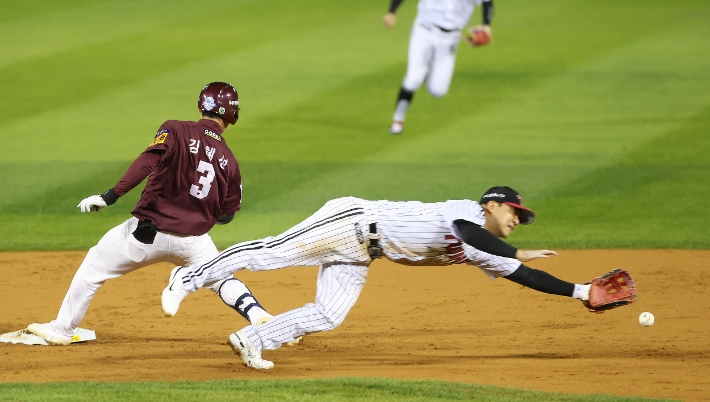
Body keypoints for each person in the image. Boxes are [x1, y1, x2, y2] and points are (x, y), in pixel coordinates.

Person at [161, 186, 597, 370]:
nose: (518, 221)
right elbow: (470, 234)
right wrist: (516, 249)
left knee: (330, 314)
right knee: (268, 255)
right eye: (514, 213)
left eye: (522, 219)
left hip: (364, 252)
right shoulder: (468, 211)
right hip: (351, 221)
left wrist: (582, 292)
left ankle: (253, 339)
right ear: (493, 206)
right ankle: (191, 276)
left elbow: (525, 275)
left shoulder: (485, 249)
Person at [27, 82, 273, 345]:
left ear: (202, 105)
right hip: (193, 242)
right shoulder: (230, 160)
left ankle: (62, 330)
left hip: (145, 236)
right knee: (223, 279)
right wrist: (196, 206)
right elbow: (227, 215)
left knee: (93, 267)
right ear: (232, 115)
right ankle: (260, 316)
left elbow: (149, 160)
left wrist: (110, 196)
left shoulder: (176, 129)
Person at [383, 0, 496, 134]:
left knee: (438, 91)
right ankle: (397, 120)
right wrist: (391, 12)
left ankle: (427, 69)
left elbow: (488, 0)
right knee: (413, 77)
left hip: (452, 37)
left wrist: (487, 26)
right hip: (424, 30)